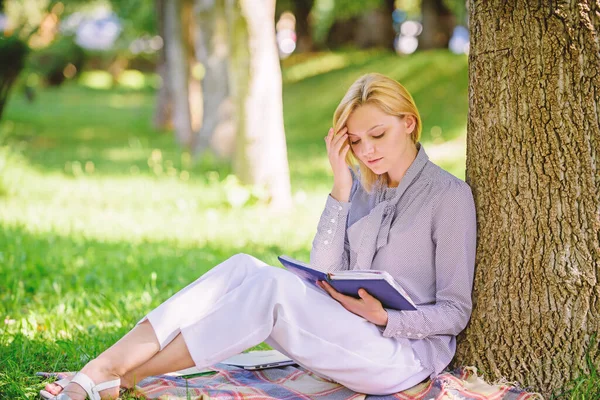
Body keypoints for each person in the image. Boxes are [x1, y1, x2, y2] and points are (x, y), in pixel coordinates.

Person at [43, 73, 477, 400]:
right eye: (357, 141)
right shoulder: (365, 188)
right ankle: (105, 367)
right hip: (348, 335)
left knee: (270, 286)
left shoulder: (450, 197)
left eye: (377, 135)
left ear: (409, 122)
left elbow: (456, 311)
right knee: (241, 267)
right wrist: (340, 185)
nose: (367, 151)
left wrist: (386, 318)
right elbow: (327, 269)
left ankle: (120, 376)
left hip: (401, 359)